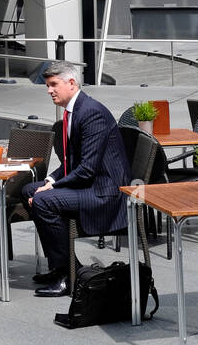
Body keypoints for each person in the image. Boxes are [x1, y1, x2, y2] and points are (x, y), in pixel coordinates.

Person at [22, 62, 129, 297]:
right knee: (29, 190)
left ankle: (68, 275)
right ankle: (62, 266)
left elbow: (87, 169)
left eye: (53, 85)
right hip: (88, 184)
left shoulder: (91, 113)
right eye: (47, 85)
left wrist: (53, 187)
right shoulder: (74, 111)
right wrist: (50, 180)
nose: (49, 90)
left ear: (71, 83)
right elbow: (72, 161)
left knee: (42, 201)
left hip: (104, 192)